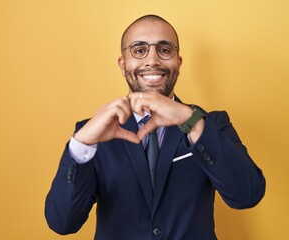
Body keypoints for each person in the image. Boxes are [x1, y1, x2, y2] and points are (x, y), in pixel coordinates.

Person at [45, 14, 265, 240]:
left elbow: (247, 194)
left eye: (165, 49)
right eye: (139, 50)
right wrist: (81, 145)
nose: (152, 60)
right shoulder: (92, 132)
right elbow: (62, 222)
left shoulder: (211, 124)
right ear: (123, 64)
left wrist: (190, 122)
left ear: (178, 63)